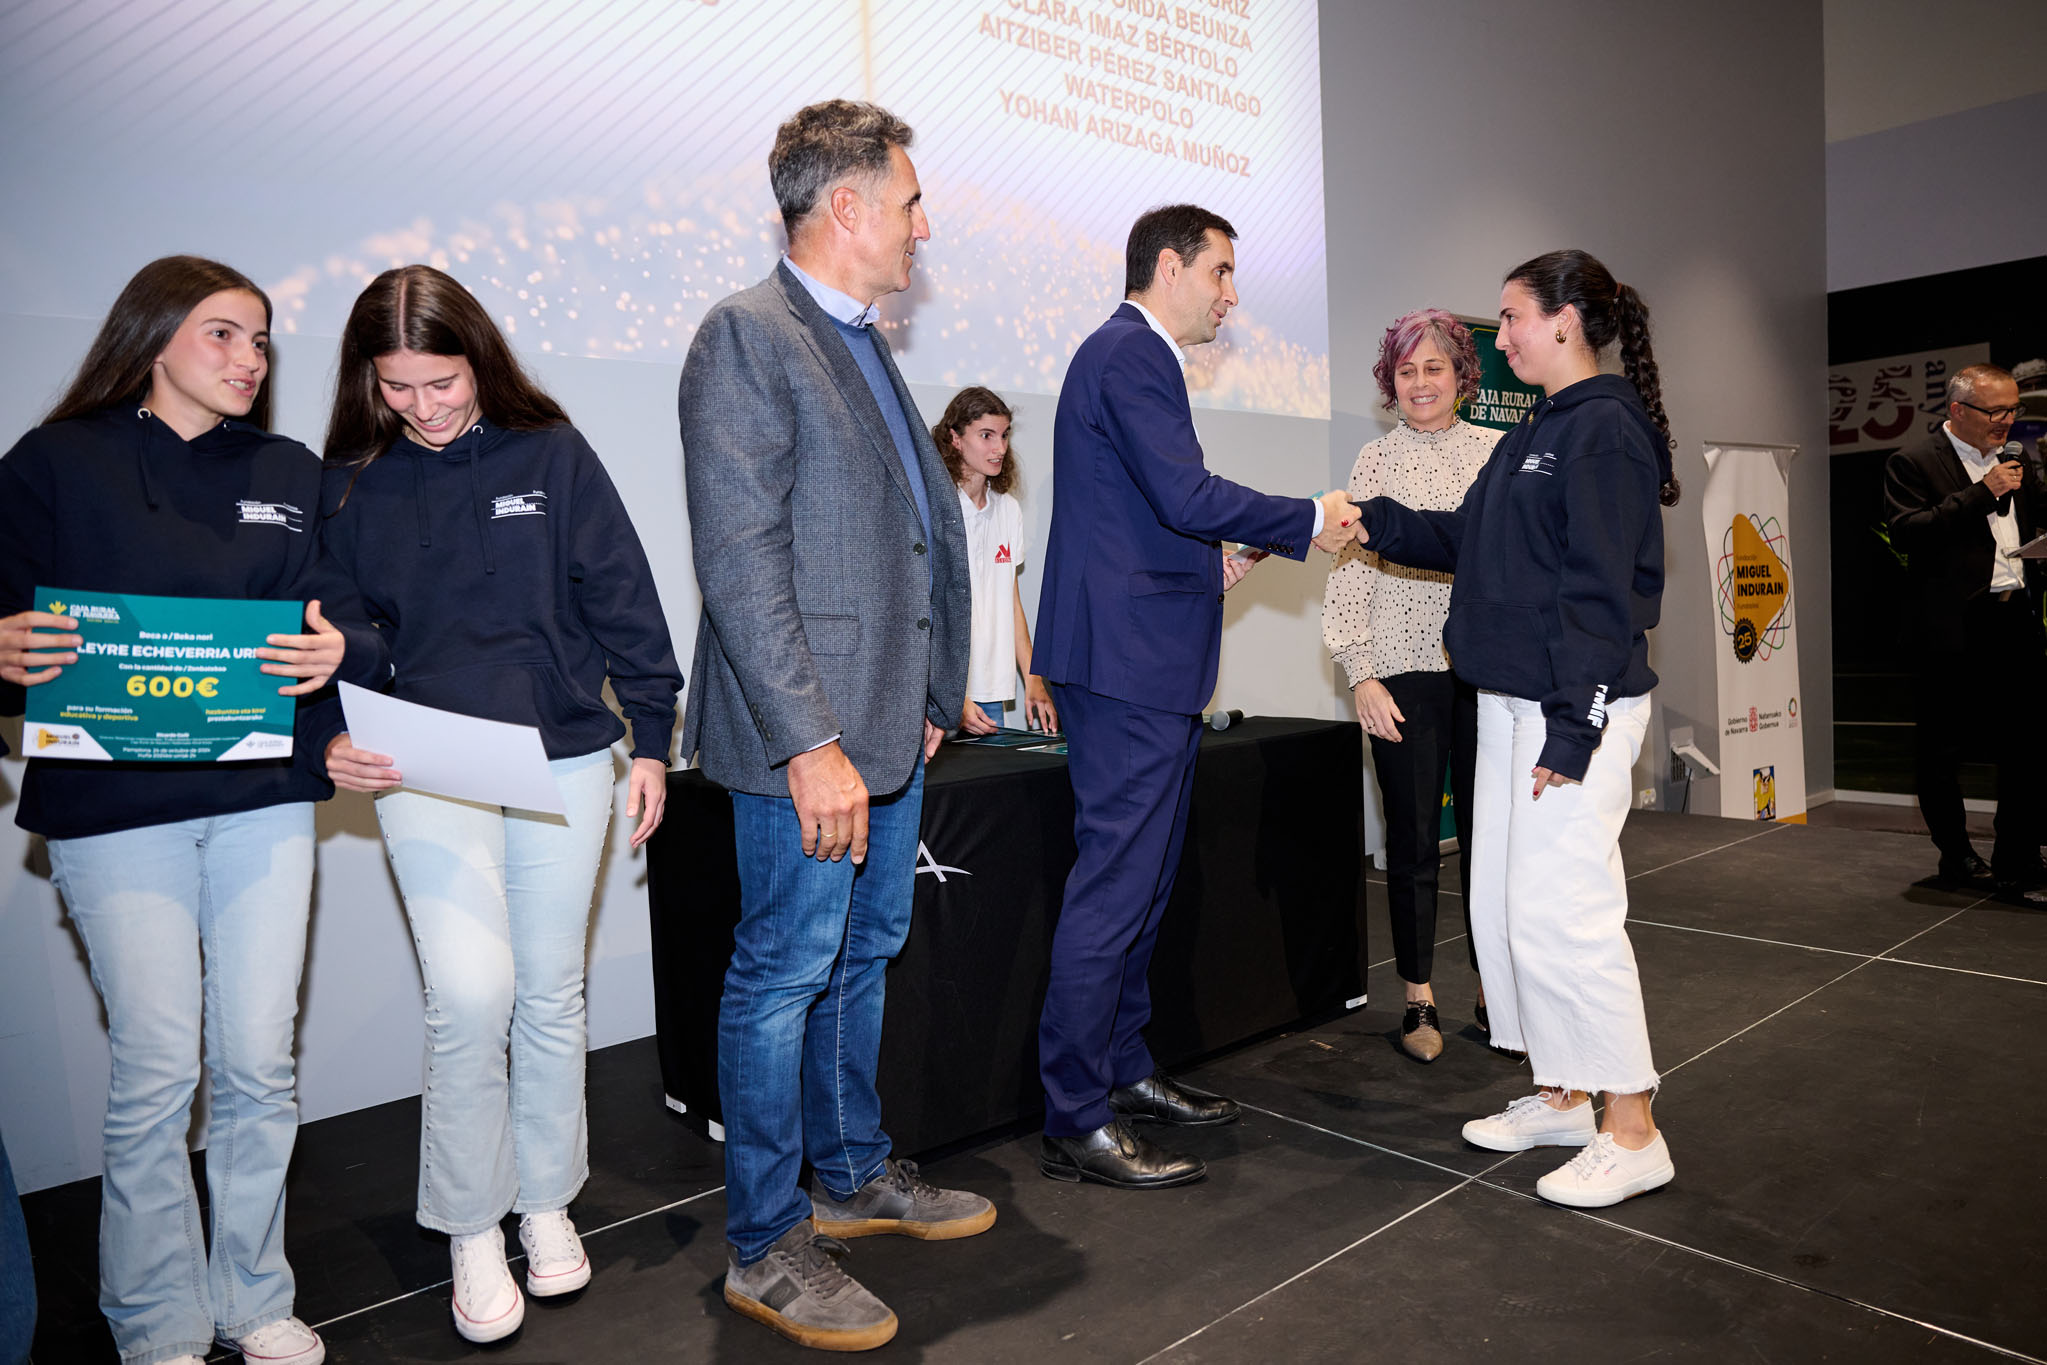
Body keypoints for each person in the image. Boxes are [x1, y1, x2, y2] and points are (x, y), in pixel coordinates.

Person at [0, 255, 390, 1365]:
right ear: (154, 336)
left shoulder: (290, 471)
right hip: (115, 812)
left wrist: (339, 652)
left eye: (260, 340)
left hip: (263, 800)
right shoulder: (55, 462)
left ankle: (252, 1296)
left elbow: (352, 619)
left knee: (261, 1063)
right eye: (222, 334)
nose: (248, 359)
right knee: (160, 1065)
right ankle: (156, 1317)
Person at [315, 265, 682, 1343]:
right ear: (369, 383)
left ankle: (544, 1203)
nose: (425, 407)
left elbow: (621, 594)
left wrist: (651, 740)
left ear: (478, 356)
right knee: (469, 998)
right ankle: (470, 1226)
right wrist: (342, 699)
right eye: (398, 388)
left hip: (563, 760)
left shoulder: (550, 453)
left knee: (551, 996)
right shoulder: (348, 484)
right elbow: (346, 632)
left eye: (442, 380)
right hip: (423, 761)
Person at [677, 99, 990, 1353]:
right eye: (910, 200)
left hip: (882, 730)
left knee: (858, 959)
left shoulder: (860, 340)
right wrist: (812, 741)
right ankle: (763, 1245)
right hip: (803, 739)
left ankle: (852, 1174)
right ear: (846, 206)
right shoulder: (749, 337)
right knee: (780, 976)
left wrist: (920, 700)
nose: (925, 223)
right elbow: (742, 559)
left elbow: (902, 537)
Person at [1031, 204, 1361, 1190]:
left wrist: (1218, 559)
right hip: (1127, 667)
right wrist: (1304, 515)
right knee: (1115, 890)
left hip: (1145, 659)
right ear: (1167, 266)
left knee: (1145, 882)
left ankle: (1123, 1072)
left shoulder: (1127, 359)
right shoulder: (1128, 354)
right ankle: (1076, 1115)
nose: (1229, 293)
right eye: (1219, 271)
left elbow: (1150, 516)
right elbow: (1183, 495)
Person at [1355, 248, 1681, 1208]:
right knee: (1506, 910)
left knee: (1567, 916)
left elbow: (1604, 595)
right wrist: (1359, 520)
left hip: (1561, 709)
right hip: (1503, 703)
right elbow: (1467, 538)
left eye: (1511, 320)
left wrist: (1572, 733)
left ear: (1565, 321)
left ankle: (1633, 1127)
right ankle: (1562, 1093)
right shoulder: (1541, 424)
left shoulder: (1606, 432)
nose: (1499, 339)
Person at [1323, 309, 1494, 1063]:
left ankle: (1500, 992)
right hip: (1399, 673)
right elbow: (1349, 573)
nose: (1419, 383)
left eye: (1434, 368)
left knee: (1497, 845)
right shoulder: (1374, 461)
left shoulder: (1500, 454)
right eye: (1405, 371)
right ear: (1388, 384)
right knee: (1414, 843)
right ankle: (1418, 998)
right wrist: (1359, 671)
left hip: (1489, 674)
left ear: (1462, 374)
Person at [1882, 363, 2046, 906]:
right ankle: (1957, 854)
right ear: (1958, 410)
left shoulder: (2018, 461)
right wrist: (1982, 492)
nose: (2007, 422)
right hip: (1950, 628)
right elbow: (1908, 533)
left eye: (2013, 410)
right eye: (1996, 412)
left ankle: (2016, 857)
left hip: (2012, 618)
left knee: (2027, 746)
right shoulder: (1914, 461)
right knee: (1942, 750)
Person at [934, 386, 1057, 735]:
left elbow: (1011, 601)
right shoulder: (936, 506)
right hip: (943, 696)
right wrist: (947, 692)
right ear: (955, 438)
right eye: (986, 435)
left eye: (1003, 436)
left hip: (992, 694)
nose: (999, 447)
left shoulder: (1008, 509)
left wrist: (1033, 678)